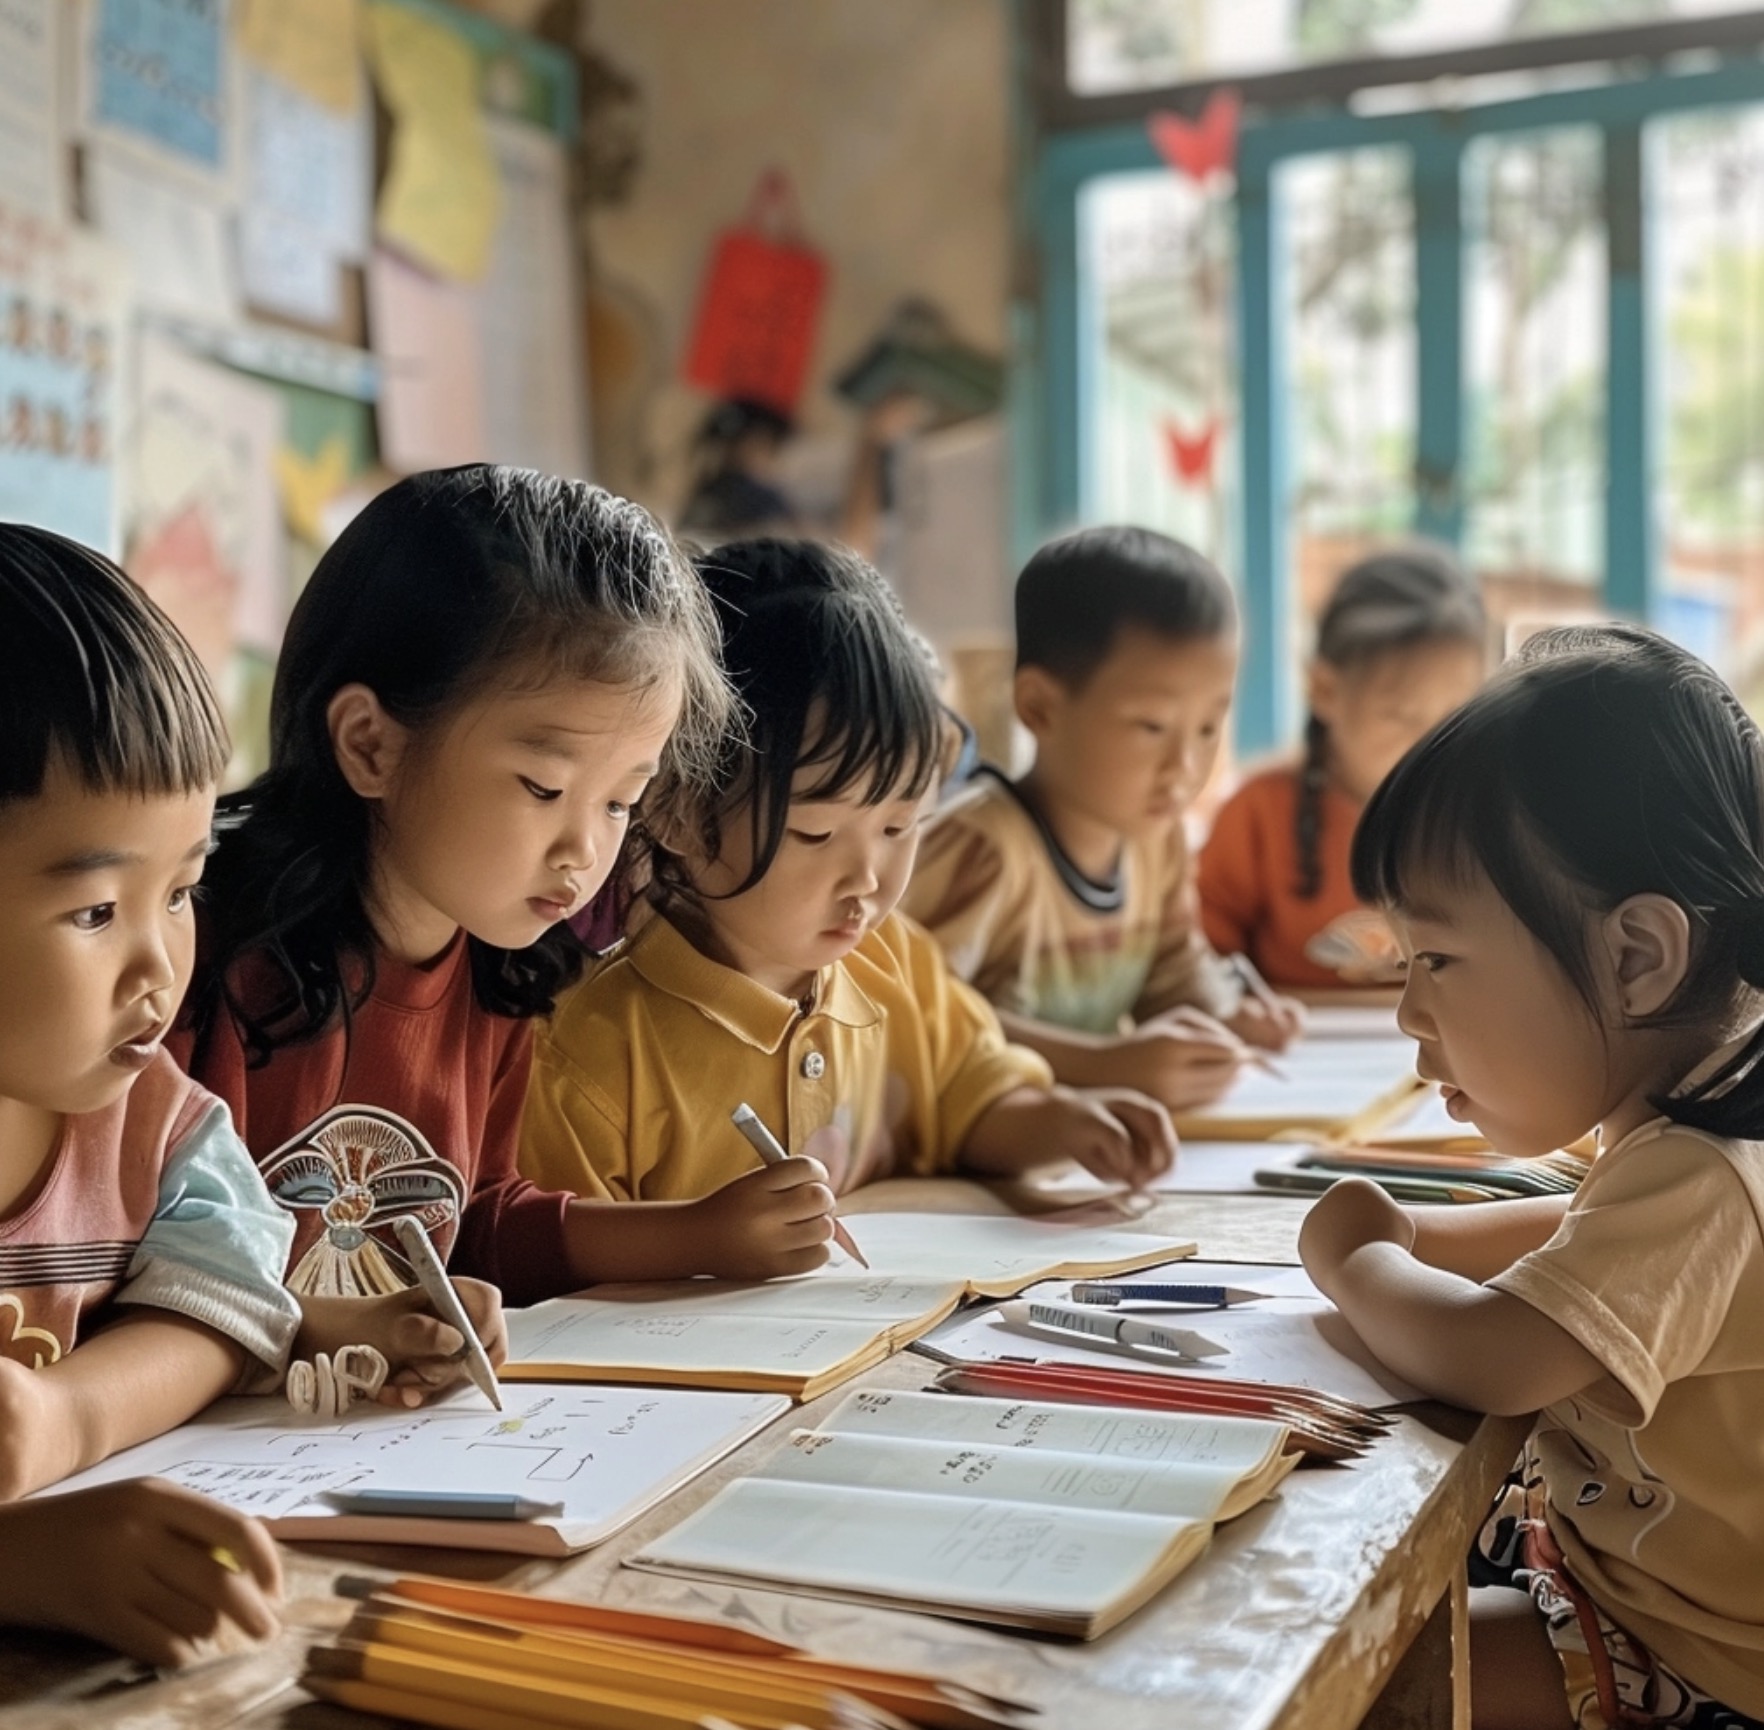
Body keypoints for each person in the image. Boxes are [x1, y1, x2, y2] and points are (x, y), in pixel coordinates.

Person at [1298, 623, 1764, 1730]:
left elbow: (1497, 1355)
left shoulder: (1711, 1171)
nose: (1411, 1007)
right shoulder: (1692, 1124)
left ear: (1637, 954)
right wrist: (1419, 1231)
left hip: (1702, 1659)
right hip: (1623, 1571)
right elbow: (1588, 1237)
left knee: (1365, 1685)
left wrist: (1355, 1256)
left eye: (1440, 959)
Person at [519, 538, 1178, 1278]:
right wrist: (699, 1240)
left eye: (900, 827)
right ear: (673, 809)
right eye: (817, 832)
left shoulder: (891, 961)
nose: (867, 877)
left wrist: (1062, 1124)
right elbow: (544, 1267)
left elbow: (971, 1093)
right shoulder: (593, 1050)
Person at [174, 465, 732, 1307]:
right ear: (372, 746)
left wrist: (705, 1236)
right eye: (544, 788)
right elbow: (146, 1262)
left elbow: (468, 1223)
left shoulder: (496, 971)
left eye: (621, 800)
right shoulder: (197, 955)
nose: (585, 848)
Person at [0, 524, 292, 1664]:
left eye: (180, 891)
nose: (160, 966)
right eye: (94, 911)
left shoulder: (148, 1116)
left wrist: (73, 1414)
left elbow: (228, 1289)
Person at [902, 525, 1304, 1117]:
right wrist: (1100, 1067)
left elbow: (1171, 971)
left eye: (1208, 728)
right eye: (1152, 727)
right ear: (1039, 706)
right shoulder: (981, 849)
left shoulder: (1155, 839)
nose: (1184, 765)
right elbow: (915, 1016)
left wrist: (1222, 1018)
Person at [1198, 543, 1486, 989]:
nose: (1433, 741)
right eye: (1401, 715)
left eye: (1455, 716)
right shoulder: (1259, 813)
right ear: (1325, 690)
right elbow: (1196, 962)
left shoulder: (1488, 820)